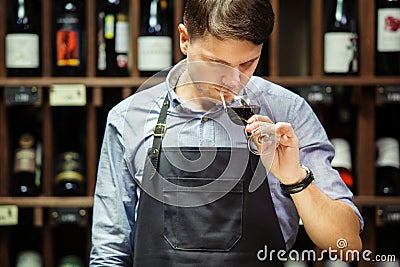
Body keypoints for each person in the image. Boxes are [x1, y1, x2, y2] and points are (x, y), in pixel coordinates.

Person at [89, 0, 364, 266]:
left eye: (247, 64)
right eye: (216, 63)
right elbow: (109, 253)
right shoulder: (128, 118)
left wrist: (294, 178)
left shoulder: (288, 112)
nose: (233, 81)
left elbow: (348, 246)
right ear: (184, 40)